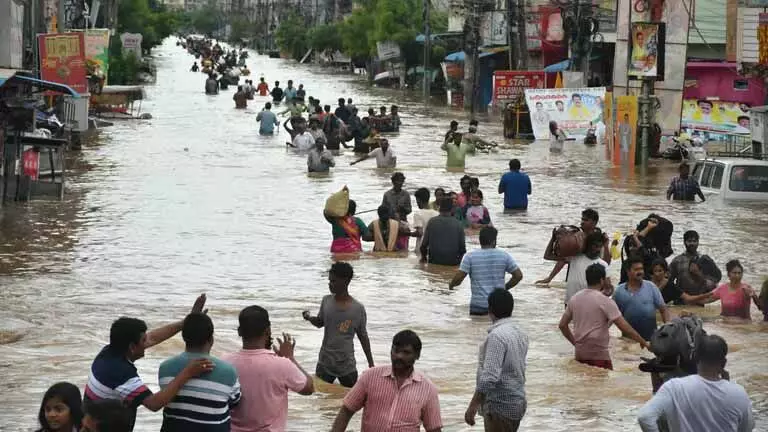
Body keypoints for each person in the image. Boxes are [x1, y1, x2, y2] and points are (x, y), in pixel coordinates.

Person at [84, 295, 214, 431]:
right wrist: (188, 372)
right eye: (143, 340)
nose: (148, 342)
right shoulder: (122, 373)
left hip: (90, 421)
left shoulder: (108, 352)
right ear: (132, 347)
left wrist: (184, 323)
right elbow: (154, 404)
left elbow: (153, 337)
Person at [329, 330, 442, 432]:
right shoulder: (370, 377)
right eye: (395, 350)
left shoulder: (427, 389)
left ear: (417, 355)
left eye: (406, 352)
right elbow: (346, 410)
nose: (399, 356)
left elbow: (434, 428)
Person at [637, 335, 754, 432]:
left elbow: (645, 417)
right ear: (724, 363)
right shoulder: (739, 393)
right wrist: (728, 386)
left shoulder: (674, 387)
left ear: (695, 358)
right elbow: (746, 428)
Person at [224, 306, 314, 432]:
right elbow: (309, 388)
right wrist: (290, 359)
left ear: (239, 331)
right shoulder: (282, 365)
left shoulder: (225, 363)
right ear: (267, 331)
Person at [158, 313, 241, 431]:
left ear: (183, 337)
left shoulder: (165, 368)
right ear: (211, 339)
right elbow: (235, 401)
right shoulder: (228, 371)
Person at [558, 264, 650, 370]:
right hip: (599, 356)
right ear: (602, 280)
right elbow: (625, 327)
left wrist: (575, 343)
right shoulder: (605, 301)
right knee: (604, 384)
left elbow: (562, 325)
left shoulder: (574, 298)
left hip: (580, 355)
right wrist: (643, 342)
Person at [302, 262, 374, 387]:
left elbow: (363, 337)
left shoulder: (358, 309)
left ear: (345, 281)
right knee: (320, 398)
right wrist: (309, 317)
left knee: (350, 398)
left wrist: (371, 364)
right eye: (329, 281)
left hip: (347, 365)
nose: (330, 284)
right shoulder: (326, 301)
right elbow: (320, 322)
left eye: (334, 281)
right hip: (325, 362)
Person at [465, 289, 528, 431]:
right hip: (517, 401)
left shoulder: (496, 336)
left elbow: (489, 377)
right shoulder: (520, 332)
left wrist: (472, 406)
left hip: (500, 404)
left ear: (490, 309)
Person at [449, 227, 523, 315]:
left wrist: (452, 285)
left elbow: (458, 278)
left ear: (480, 240)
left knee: (476, 327)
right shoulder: (504, 256)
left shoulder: (470, 257)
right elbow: (518, 276)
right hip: (498, 306)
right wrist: (505, 288)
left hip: (478, 306)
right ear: (494, 241)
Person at [537, 208, 610, 285]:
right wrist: (550, 278)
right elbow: (560, 259)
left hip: (592, 282)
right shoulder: (575, 239)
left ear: (594, 223)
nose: (582, 222)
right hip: (575, 281)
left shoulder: (599, 239)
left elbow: (606, 263)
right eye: (582, 219)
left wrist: (606, 246)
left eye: (586, 220)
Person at [613, 255, 671, 341]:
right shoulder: (619, 291)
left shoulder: (651, 287)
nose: (640, 272)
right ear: (628, 271)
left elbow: (663, 309)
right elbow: (611, 315)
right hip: (628, 341)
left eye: (641, 269)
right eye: (636, 269)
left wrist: (667, 328)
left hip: (650, 340)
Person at [668, 230, 721, 304]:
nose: (692, 243)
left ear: (698, 242)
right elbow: (668, 281)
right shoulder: (677, 261)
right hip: (680, 301)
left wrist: (698, 274)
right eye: (689, 241)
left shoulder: (705, 260)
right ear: (684, 242)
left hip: (699, 301)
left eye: (694, 241)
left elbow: (715, 283)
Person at [562, 232, 610, 305]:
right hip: (570, 303)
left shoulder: (603, 264)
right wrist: (553, 238)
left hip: (589, 305)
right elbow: (548, 256)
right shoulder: (574, 257)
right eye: (594, 246)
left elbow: (608, 289)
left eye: (599, 246)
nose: (597, 249)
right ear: (588, 245)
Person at [420, 198, 466, 266]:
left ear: (439, 208)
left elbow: (423, 246)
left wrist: (423, 258)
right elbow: (462, 248)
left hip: (434, 262)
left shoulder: (432, 222)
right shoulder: (458, 224)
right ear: (452, 209)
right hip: (453, 262)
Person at [412, 188, 439, 256]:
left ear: (419, 200)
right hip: (434, 247)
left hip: (421, 247)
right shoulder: (437, 214)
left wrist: (406, 233)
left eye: (416, 200)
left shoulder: (418, 214)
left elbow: (419, 233)